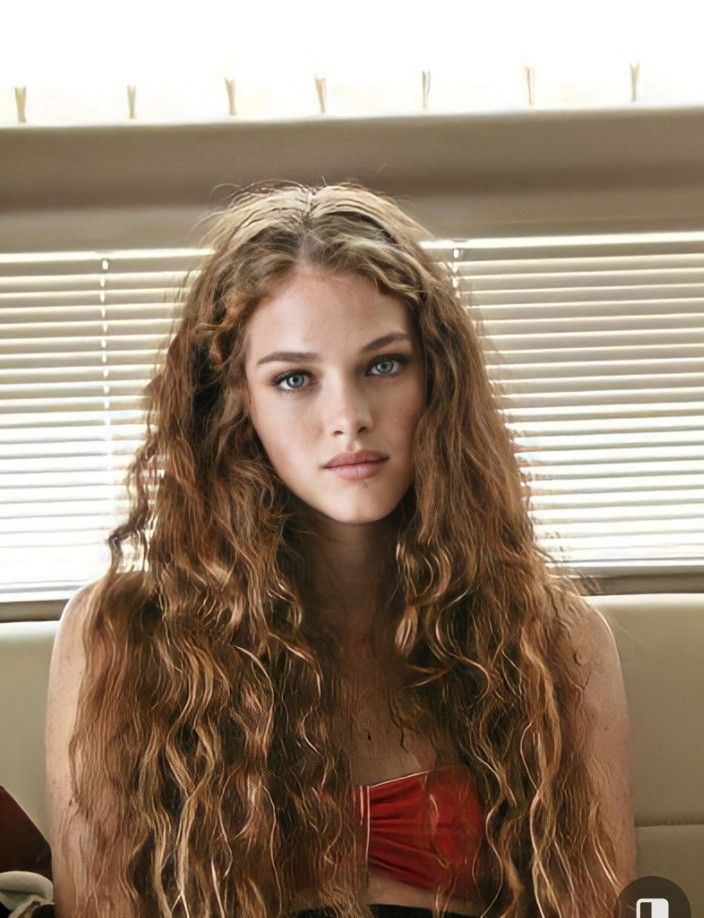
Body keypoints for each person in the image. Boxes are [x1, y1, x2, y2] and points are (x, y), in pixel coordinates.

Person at [45, 180, 635, 917]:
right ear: (234, 405)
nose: (348, 418)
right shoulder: (122, 633)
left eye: (384, 365)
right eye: (295, 379)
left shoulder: (552, 638)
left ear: (438, 381)